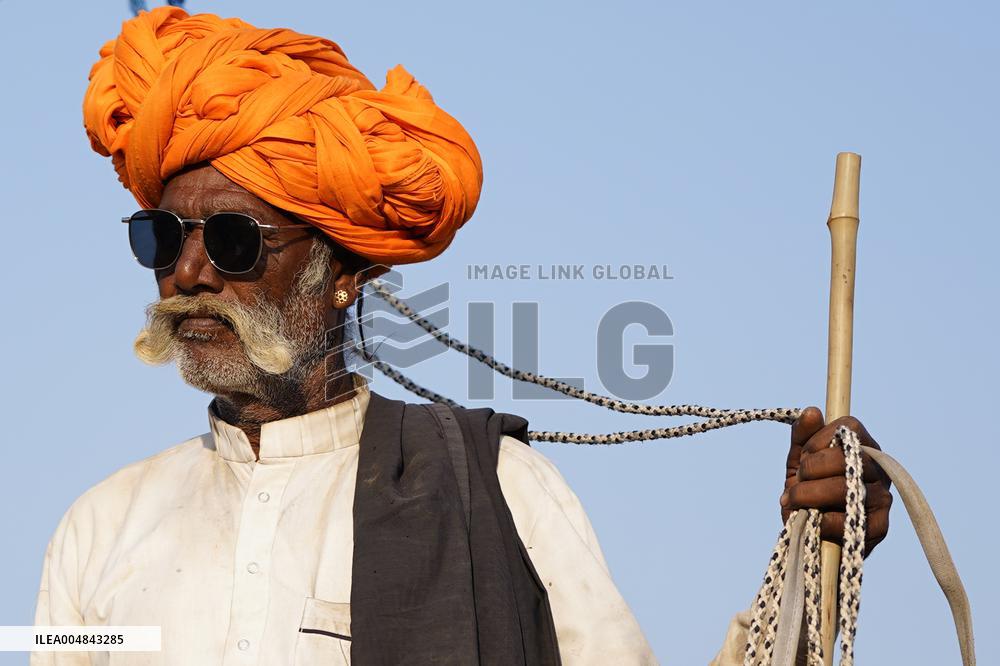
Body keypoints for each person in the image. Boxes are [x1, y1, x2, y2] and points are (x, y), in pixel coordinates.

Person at [33, 7, 892, 665]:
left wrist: (814, 552)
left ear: (342, 275)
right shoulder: (101, 531)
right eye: (160, 238)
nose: (187, 276)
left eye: (231, 241)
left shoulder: (498, 491)